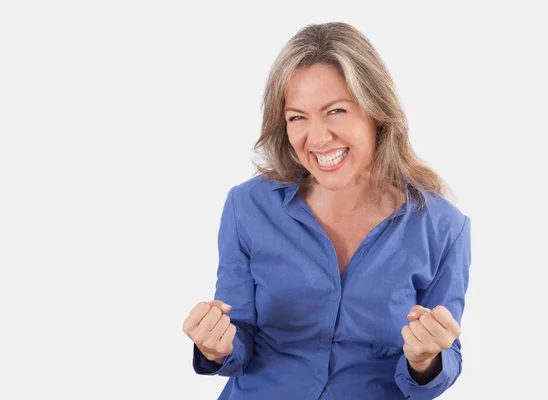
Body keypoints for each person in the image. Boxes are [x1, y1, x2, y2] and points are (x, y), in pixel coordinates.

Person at [182, 22, 471, 400]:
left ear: (375, 109)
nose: (316, 138)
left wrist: (425, 360)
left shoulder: (443, 227)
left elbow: (444, 362)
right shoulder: (247, 207)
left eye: (335, 111)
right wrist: (215, 347)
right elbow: (239, 337)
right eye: (297, 117)